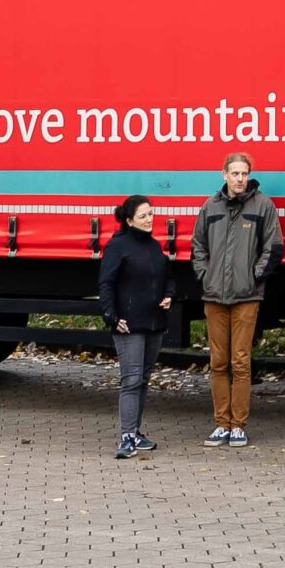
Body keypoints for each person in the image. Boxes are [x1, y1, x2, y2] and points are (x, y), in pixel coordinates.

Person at [190, 151, 281, 447]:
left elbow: (274, 246)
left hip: (246, 296)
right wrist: (206, 274)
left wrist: (254, 277)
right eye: (235, 174)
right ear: (224, 175)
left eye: (244, 173)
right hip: (214, 295)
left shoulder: (263, 206)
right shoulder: (210, 207)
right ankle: (221, 424)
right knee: (218, 362)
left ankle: (238, 425)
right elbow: (198, 245)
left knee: (240, 363)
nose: (240, 179)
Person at [96, 194, 175, 458]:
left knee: (143, 379)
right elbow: (106, 283)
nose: (149, 219)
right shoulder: (118, 247)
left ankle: (136, 432)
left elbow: (167, 277)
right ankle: (127, 436)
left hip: (154, 323)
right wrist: (111, 316)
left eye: (151, 214)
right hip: (128, 324)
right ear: (129, 220)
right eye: (143, 216)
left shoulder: (154, 246)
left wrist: (168, 295)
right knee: (130, 380)